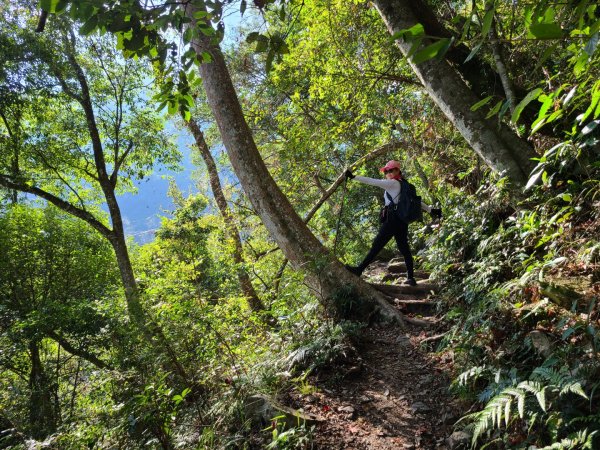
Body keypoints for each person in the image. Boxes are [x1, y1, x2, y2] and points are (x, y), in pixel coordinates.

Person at [344, 160, 441, 286]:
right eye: (386, 171)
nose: (388, 173)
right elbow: (415, 202)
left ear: (397, 171)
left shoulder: (393, 183)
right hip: (401, 220)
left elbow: (373, 182)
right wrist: (431, 210)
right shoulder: (403, 184)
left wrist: (353, 177)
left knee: (377, 245)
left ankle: (359, 269)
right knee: (404, 248)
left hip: (392, 220)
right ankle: (411, 278)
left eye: (390, 170)